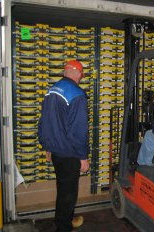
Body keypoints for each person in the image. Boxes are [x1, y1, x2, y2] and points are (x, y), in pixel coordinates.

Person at [38, 60, 90, 232]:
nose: (81, 78)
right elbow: (79, 130)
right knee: (68, 194)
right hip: (69, 152)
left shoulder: (52, 90)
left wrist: (47, 145)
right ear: (78, 73)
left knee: (63, 189)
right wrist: (82, 156)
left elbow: (44, 121)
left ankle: (65, 218)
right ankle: (63, 226)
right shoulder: (77, 94)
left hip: (56, 150)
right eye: (82, 74)